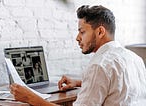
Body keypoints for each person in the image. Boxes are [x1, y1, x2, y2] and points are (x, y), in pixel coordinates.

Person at [10, 5, 146, 106]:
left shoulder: (99, 66)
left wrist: (30, 97)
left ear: (100, 32)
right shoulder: (135, 58)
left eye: (82, 32)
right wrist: (80, 82)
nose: (77, 38)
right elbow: (117, 85)